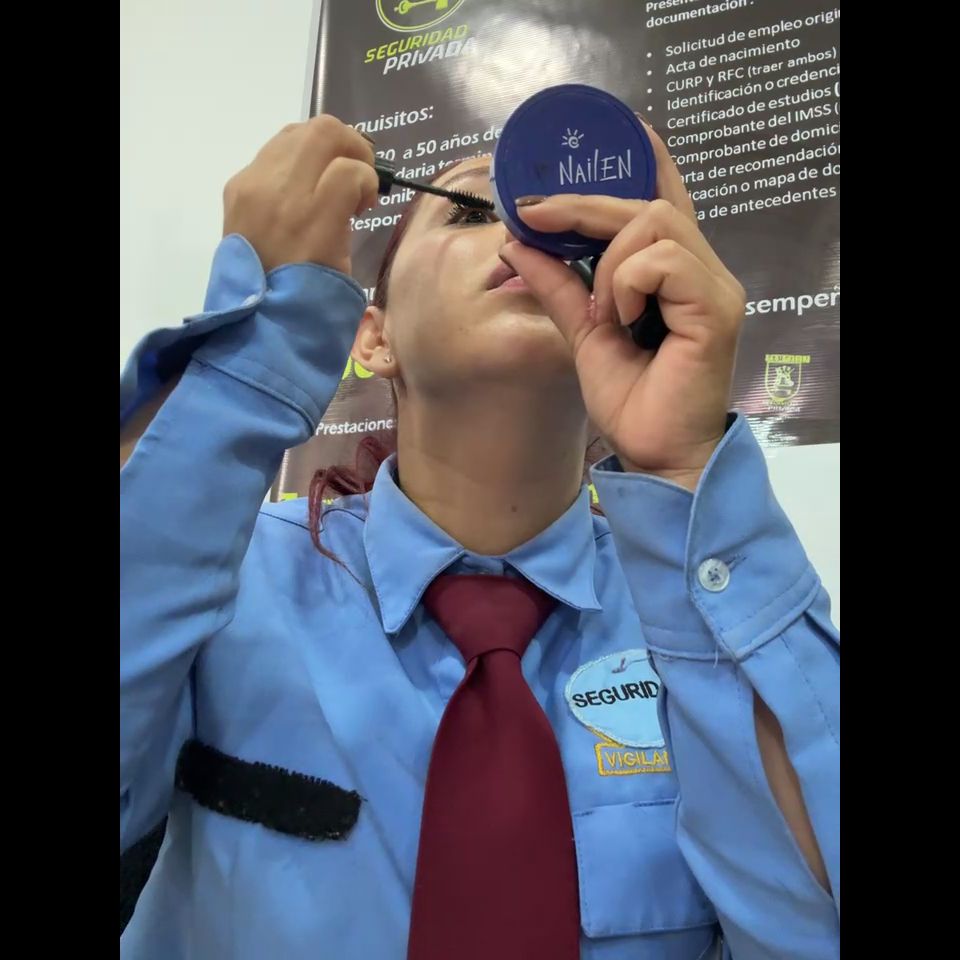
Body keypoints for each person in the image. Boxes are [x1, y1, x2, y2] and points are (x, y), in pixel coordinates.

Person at [120, 114, 839, 959]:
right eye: (469, 211)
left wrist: (686, 468)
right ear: (374, 337)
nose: (525, 236)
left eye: (571, 237)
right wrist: (253, 349)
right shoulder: (237, 577)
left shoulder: (700, 617)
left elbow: (808, 933)